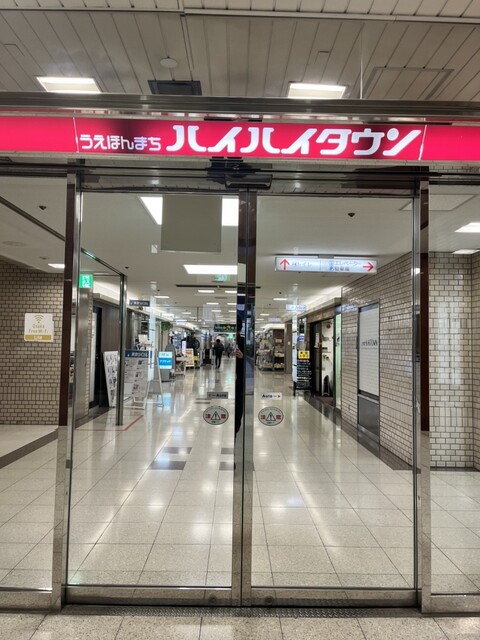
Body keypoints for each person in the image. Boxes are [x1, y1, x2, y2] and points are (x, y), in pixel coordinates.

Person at [235, 315, 245, 438]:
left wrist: (243, 356)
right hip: (226, 380)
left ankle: (236, 430)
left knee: (238, 406)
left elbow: (250, 362)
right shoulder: (229, 343)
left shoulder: (243, 341)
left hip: (239, 381)